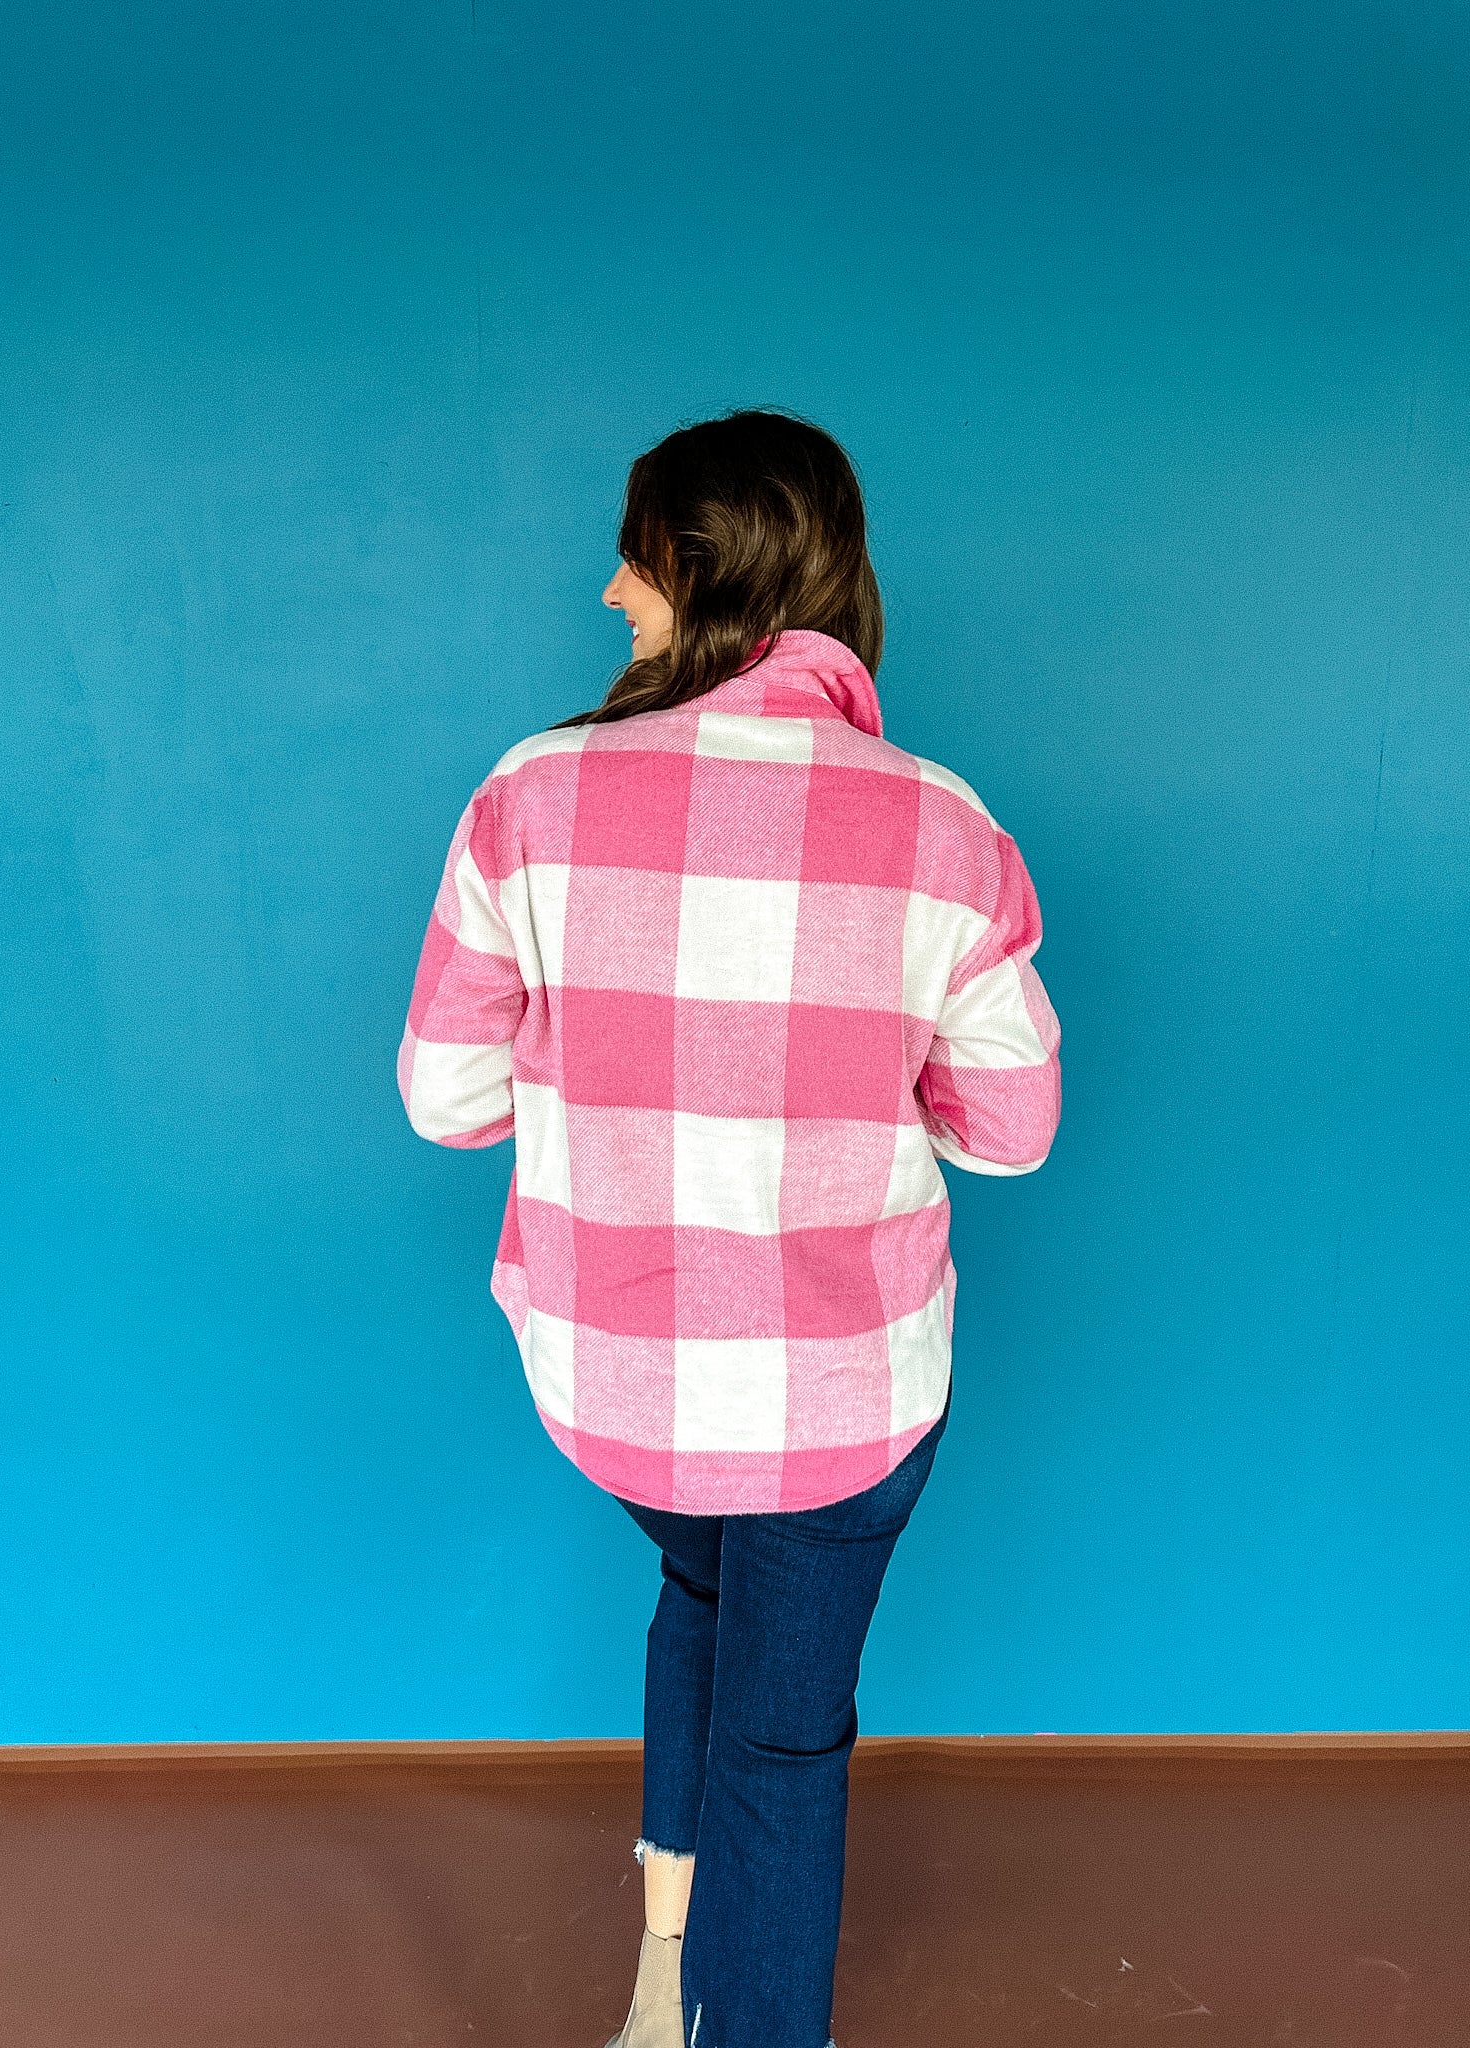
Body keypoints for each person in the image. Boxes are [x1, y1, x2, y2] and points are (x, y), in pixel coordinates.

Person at [397, 409, 1062, 2048]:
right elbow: (1014, 1134)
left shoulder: (531, 793)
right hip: (845, 1402)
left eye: (632, 555)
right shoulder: (944, 824)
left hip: (618, 1390)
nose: (611, 593)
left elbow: (444, 1099)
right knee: (785, 1735)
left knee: (696, 1601)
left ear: (693, 568)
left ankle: (656, 1984)